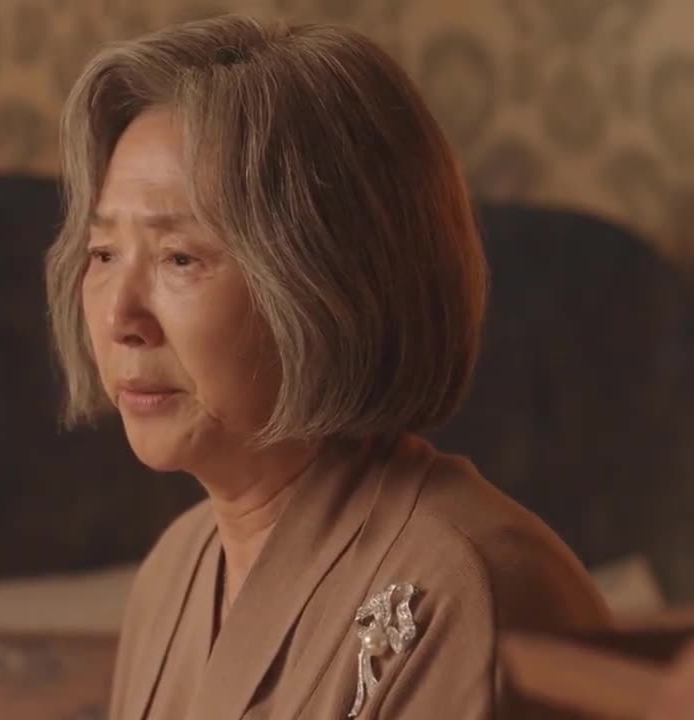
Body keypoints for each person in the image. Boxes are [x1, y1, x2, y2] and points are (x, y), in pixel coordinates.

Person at [43, 15, 611, 719]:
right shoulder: (176, 569)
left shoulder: (465, 593)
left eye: (178, 258)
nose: (118, 316)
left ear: (326, 283)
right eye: (102, 254)